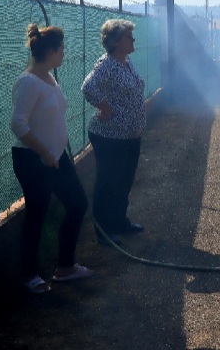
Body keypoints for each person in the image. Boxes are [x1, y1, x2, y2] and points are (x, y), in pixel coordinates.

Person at [10, 23, 92, 293]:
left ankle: (65, 267)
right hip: (33, 160)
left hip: (55, 157)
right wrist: (44, 153)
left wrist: (54, 151)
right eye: (62, 49)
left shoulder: (49, 77)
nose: (64, 54)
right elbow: (18, 125)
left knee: (77, 203)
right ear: (53, 51)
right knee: (37, 213)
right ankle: (29, 275)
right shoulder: (28, 82)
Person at [82, 18, 161, 245]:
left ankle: (119, 222)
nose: (133, 39)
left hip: (129, 136)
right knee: (108, 182)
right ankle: (104, 232)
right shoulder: (107, 64)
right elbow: (88, 87)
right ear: (116, 41)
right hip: (109, 136)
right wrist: (104, 106)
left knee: (124, 181)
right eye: (129, 36)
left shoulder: (126, 61)